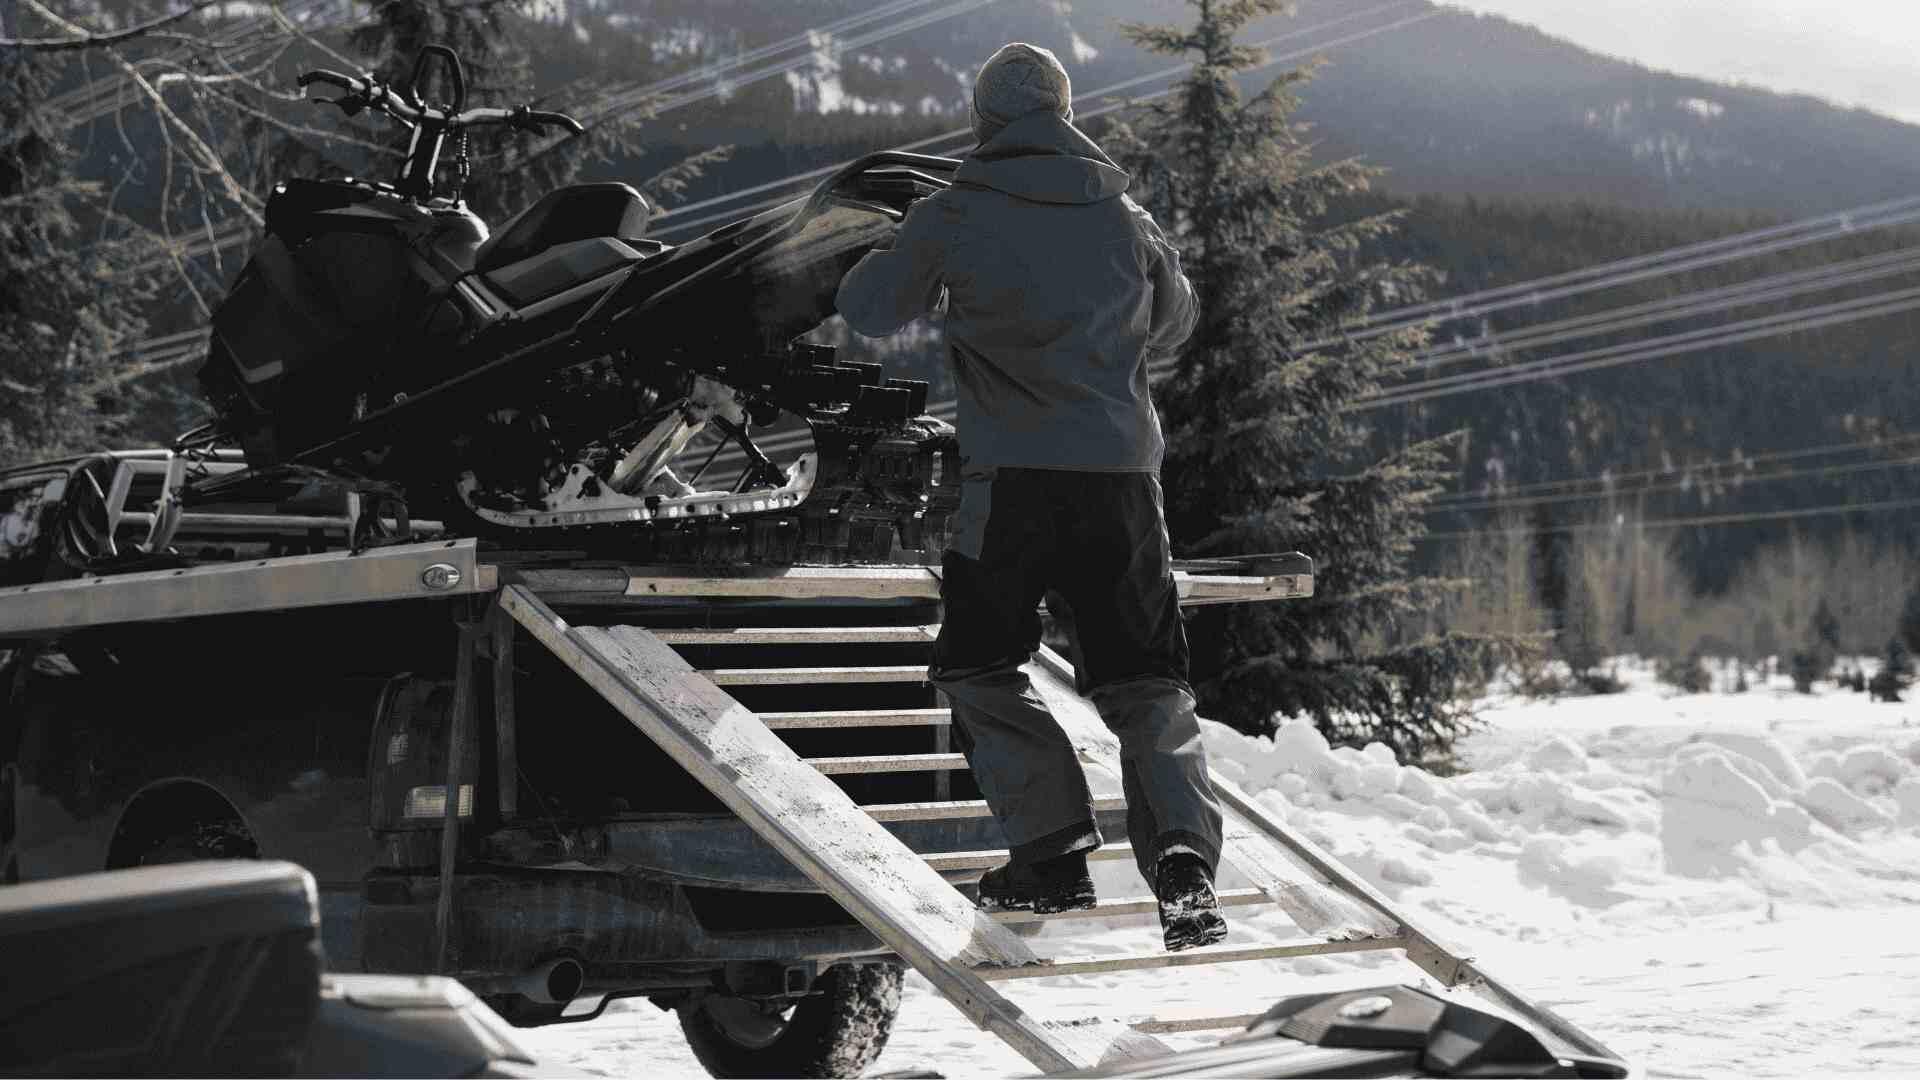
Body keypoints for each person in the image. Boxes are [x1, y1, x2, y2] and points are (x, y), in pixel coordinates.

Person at [834, 42, 1226, 952]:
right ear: (1065, 112)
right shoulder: (1125, 215)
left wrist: (897, 244)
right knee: (1147, 679)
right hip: (1123, 484)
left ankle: (1051, 856)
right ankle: (1184, 868)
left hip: (1010, 485)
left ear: (985, 121)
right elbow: (1175, 320)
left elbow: (870, 307)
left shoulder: (956, 211)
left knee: (979, 664)